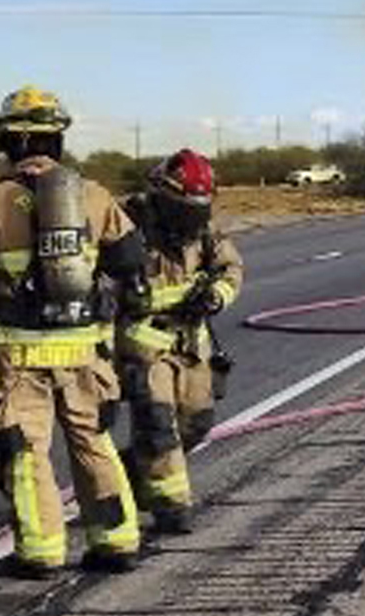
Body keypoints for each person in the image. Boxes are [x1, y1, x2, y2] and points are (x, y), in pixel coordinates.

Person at [0, 86, 148, 577]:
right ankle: (116, 541)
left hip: (15, 356)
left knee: (26, 453)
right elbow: (131, 265)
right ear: (56, 141)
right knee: (93, 442)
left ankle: (40, 552)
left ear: (9, 143)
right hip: (84, 351)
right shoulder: (94, 195)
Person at [117, 149, 242, 534]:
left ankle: (131, 473)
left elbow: (231, 267)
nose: (193, 216)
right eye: (184, 207)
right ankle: (172, 507)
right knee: (158, 426)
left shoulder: (204, 230)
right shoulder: (127, 225)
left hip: (192, 343)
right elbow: (97, 272)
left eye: (199, 207)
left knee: (197, 423)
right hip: (145, 344)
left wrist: (217, 294)